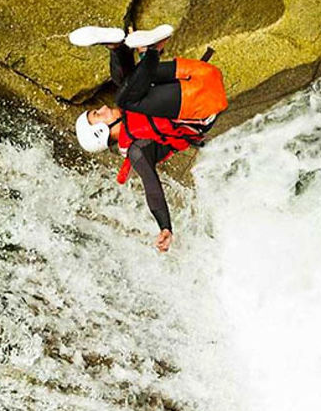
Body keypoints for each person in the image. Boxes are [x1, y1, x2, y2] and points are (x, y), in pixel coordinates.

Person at [70, 24, 228, 252]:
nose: (103, 107)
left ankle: (117, 46)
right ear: (102, 132)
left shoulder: (133, 108)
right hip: (204, 103)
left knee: (125, 84)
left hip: (197, 78)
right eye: (98, 115)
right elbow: (152, 188)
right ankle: (149, 50)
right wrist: (165, 227)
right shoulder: (137, 150)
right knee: (125, 97)